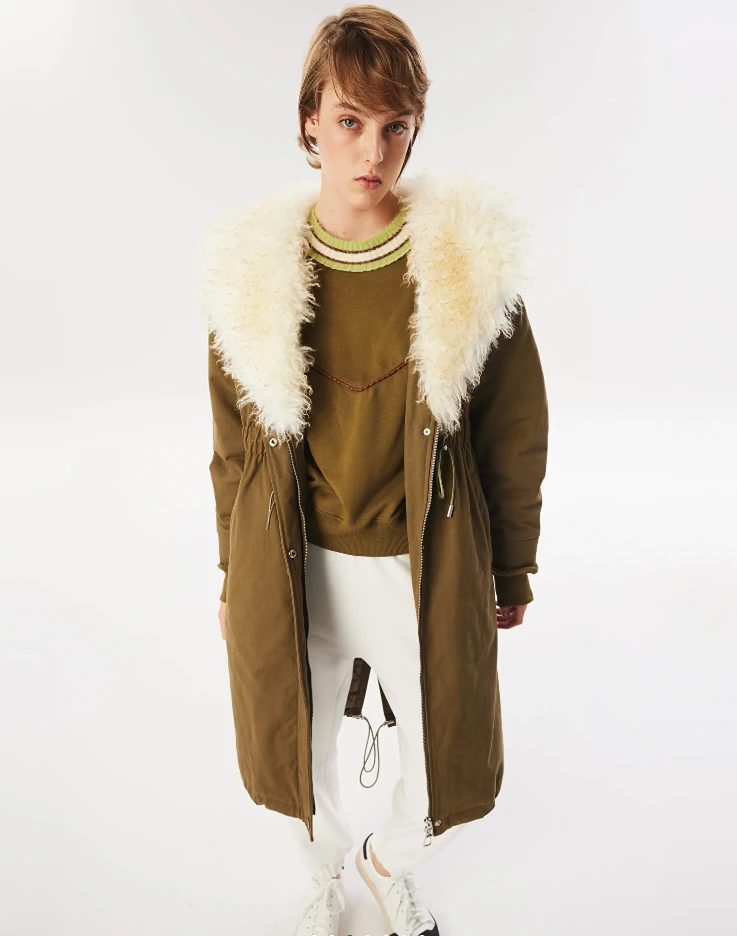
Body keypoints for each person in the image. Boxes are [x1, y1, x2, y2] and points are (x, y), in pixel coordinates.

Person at [200, 6, 549, 935]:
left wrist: (509, 568)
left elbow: (514, 433)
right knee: (293, 754)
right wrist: (232, 573)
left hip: (419, 561)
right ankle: (322, 878)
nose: (372, 149)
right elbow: (232, 446)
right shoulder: (252, 274)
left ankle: (384, 861)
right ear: (310, 120)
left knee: (448, 773)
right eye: (350, 120)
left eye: (395, 125)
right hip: (294, 559)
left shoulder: (465, 265)